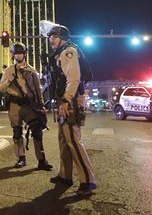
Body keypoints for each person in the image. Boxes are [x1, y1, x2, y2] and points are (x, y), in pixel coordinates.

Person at [46, 24, 97, 196]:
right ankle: (65, 176)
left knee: (73, 140)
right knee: (64, 139)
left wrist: (66, 100)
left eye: (53, 36)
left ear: (62, 37)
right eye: (50, 36)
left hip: (72, 100)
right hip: (66, 99)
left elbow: (73, 78)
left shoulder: (68, 51)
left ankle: (88, 180)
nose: (50, 39)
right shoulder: (62, 52)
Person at [0, 42, 53, 170]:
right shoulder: (9, 70)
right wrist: (9, 81)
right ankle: (21, 158)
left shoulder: (31, 70)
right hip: (14, 105)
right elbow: (1, 88)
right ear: (13, 55)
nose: (18, 56)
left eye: (20, 53)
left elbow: (37, 89)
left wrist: (40, 105)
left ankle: (41, 160)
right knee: (17, 132)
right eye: (16, 53)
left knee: (37, 131)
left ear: (25, 54)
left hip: (29, 105)